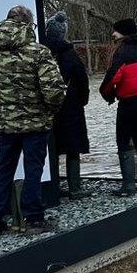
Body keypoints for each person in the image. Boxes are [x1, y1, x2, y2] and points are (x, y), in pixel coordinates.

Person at [0, 5, 66, 237]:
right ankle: (33, 219)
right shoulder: (38, 52)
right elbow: (53, 90)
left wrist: (0, 107)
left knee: (2, 168)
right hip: (36, 123)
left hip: (5, 124)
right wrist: (49, 110)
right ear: (28, 24)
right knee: (33, 169)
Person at [99, 18, 137, 197]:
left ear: (122, 33)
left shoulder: (122, 52)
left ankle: (128, 186)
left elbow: (111, 78)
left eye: (115, 31)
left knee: (123, 143)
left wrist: (108, 95)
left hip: (128, 104)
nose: (112, 34)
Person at [43, 11, 90, 199]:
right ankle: (75, 188)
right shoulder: (70, 54)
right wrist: (82, 100)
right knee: (73, 148)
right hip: (70, 107)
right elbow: (82, 79)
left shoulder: (41, 51)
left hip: (47, 108)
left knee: (52, 148)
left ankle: (54, 187)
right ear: (63, 32)